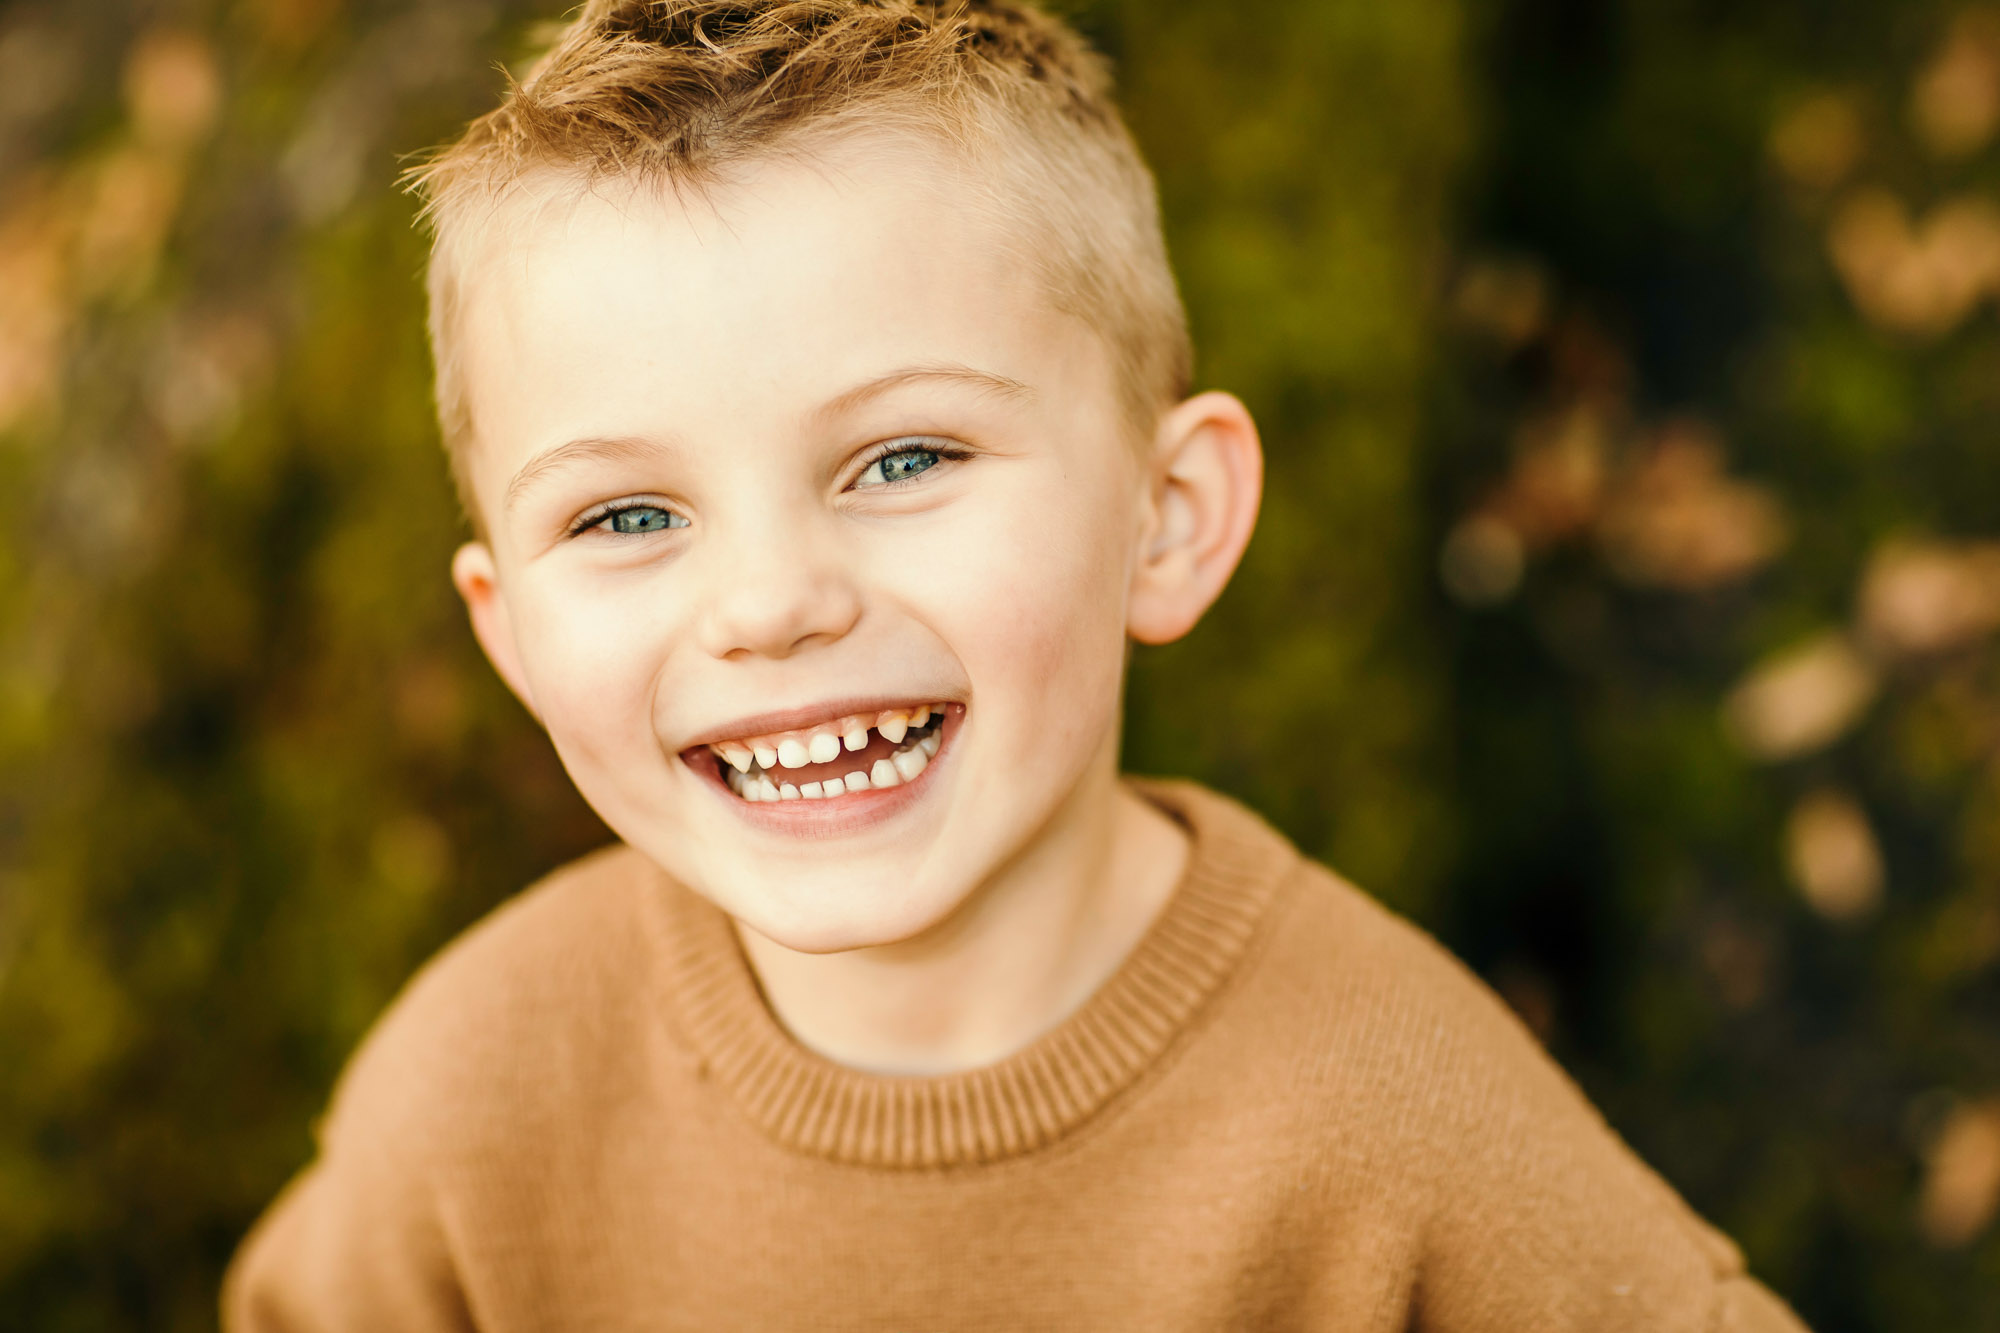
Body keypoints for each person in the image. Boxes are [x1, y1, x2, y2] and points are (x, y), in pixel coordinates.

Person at [223, 2, 1811, 1328]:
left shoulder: (1392, 1115)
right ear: (509, 630)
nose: (769, 602)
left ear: (1166, 521)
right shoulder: (482, 1085)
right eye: (629, 512)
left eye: (904, 458)